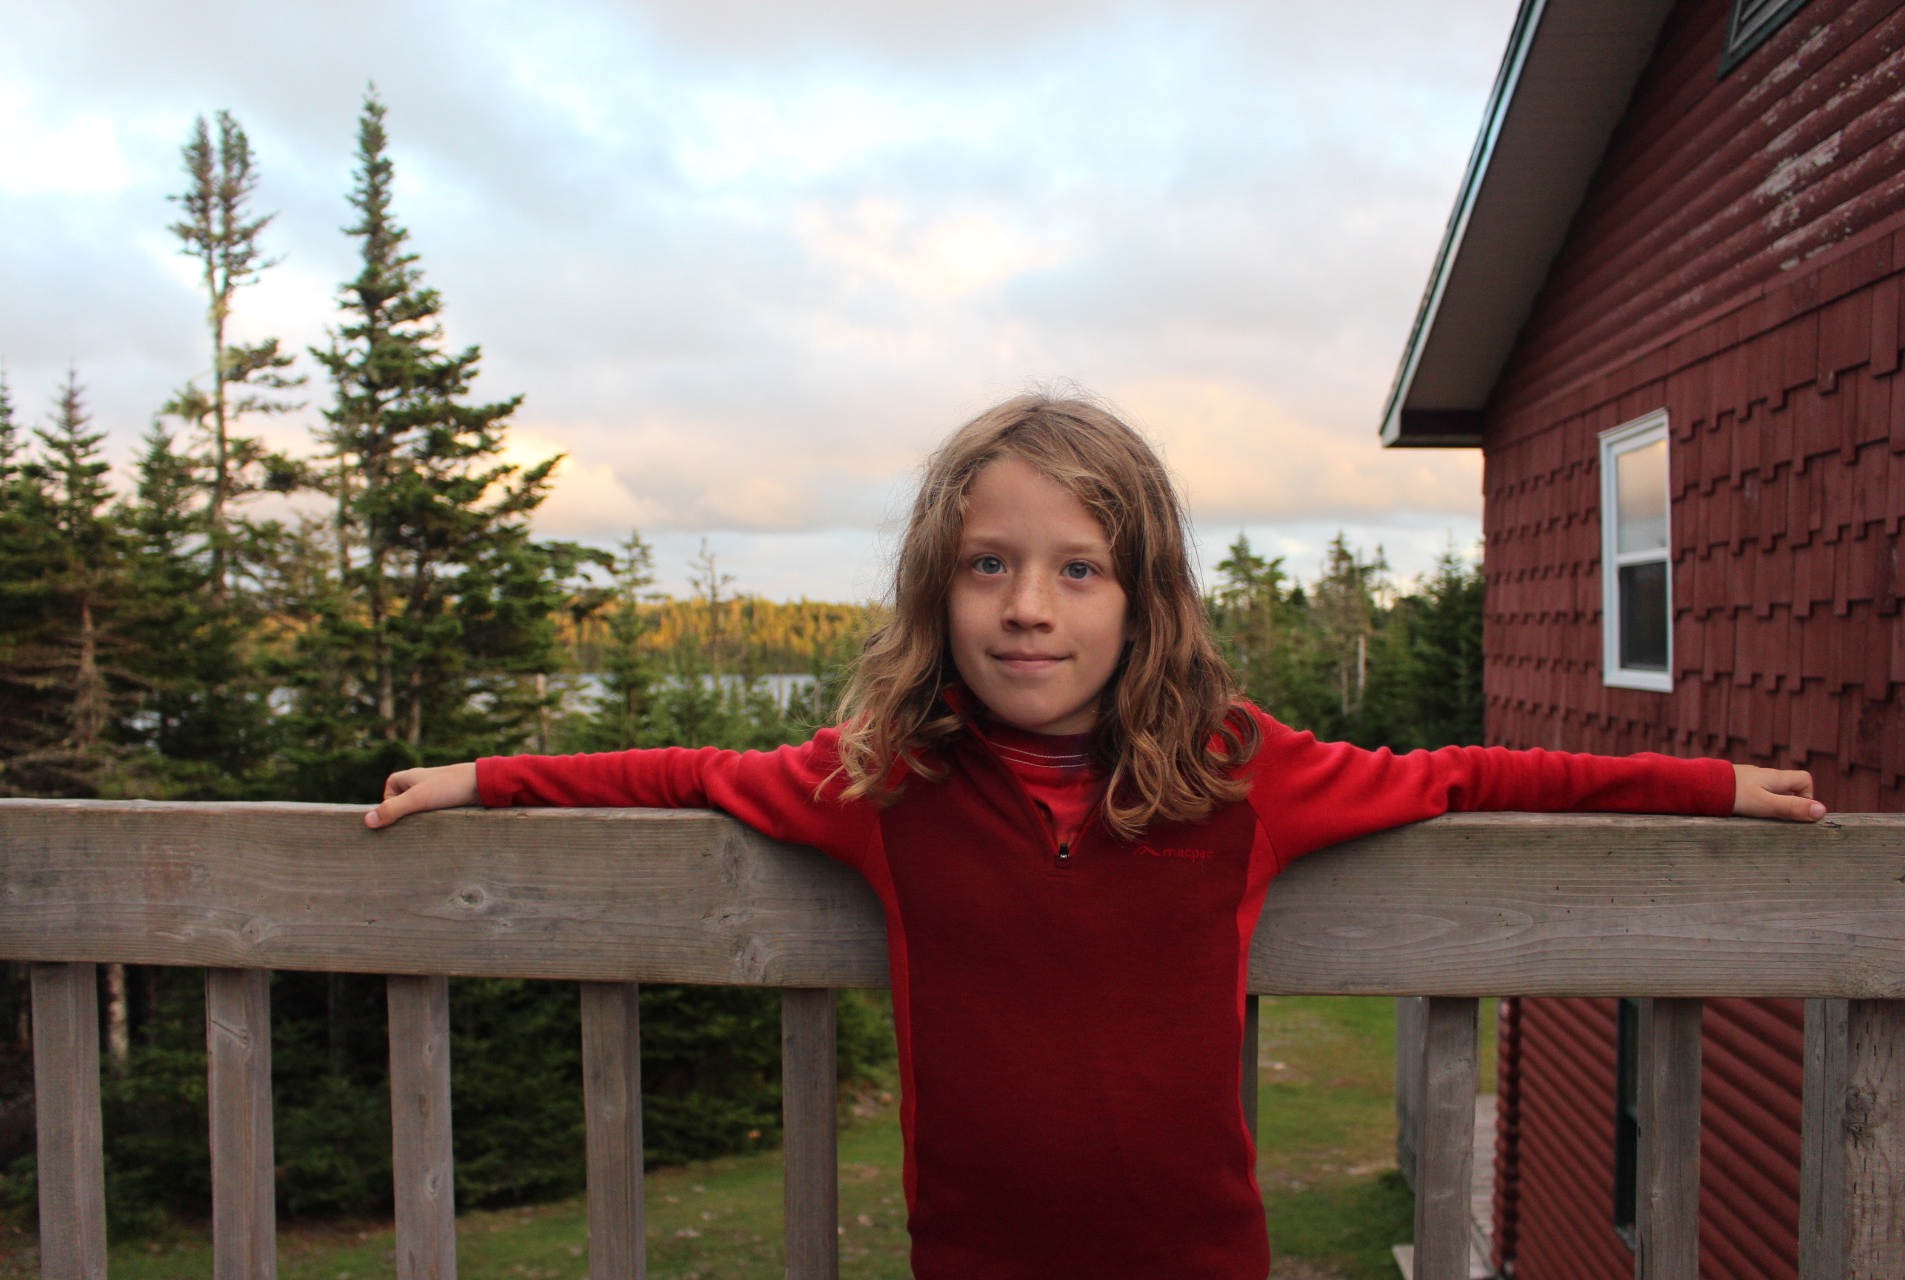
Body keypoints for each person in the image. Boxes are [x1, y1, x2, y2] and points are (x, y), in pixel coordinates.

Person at [365, 393, 1822, 1280]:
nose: (1028, 607)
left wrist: (1700, 792)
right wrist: (487, 778)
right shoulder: (883, 782)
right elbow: (686, 769)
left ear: (1142, 603)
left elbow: (1455, 775)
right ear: (939, 591)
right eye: (988, 567)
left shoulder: (1242, 774)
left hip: (1194, 1265)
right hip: (976, 1265)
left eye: (1077, 570)